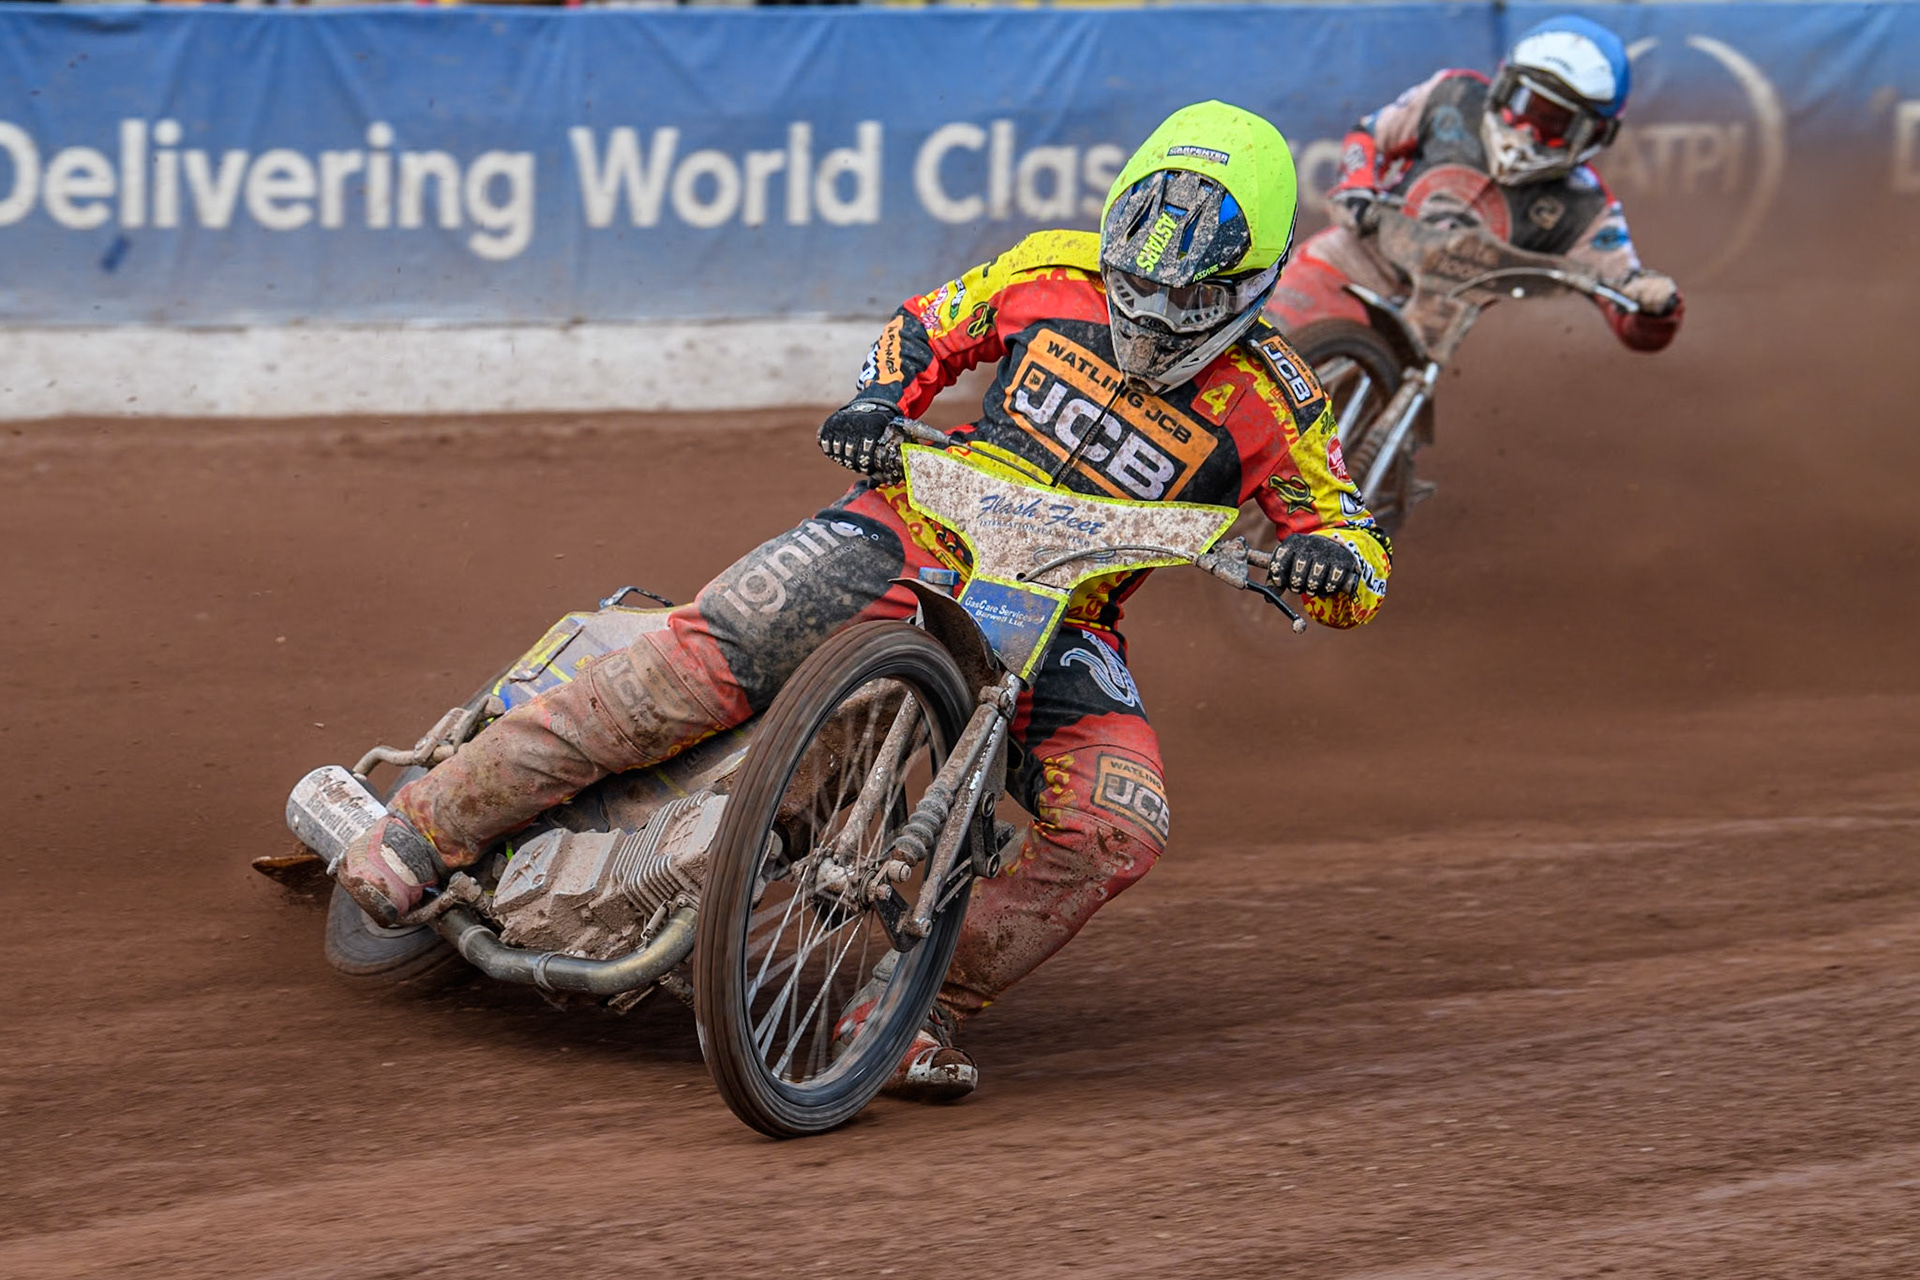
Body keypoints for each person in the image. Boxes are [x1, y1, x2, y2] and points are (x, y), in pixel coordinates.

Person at [335, 101, 1393, 1100]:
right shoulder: (1048, 270)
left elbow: (1354, 538)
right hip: (908, 527)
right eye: (1138, 282)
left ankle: (917, 1006)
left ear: (1258, 282)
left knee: (1120, 822)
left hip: (1068, 617)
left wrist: (1333, 566)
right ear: (1115, 238)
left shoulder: (1281, 400)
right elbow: (927, 326)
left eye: (1190, 301)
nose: (1154, 317)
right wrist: (878, 401)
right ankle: (425, 831)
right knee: (700, 663)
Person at [1268, 15, 1683, 352]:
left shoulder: (1586, 208)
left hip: (1432, 319)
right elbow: (1371, 135)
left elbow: (1626, 304)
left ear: (1594, 134)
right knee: (1263, 341)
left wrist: (1656, 308)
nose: (1529, 130)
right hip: (1350, 260)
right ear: (1502, 86)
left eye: (1555, 123)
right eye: (1524, 104)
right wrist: (1357, 186)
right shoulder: (1453, 96)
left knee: (1376, 418)